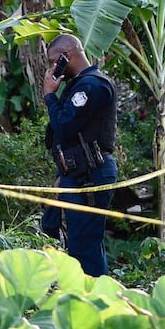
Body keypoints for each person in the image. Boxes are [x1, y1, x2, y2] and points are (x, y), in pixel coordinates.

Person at [41, 34, 118, 277]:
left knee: (85, 247)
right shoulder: (78, 85)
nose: (54, 68)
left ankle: (98, 302)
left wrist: (49, 95)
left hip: (90, 174)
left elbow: (64, 125)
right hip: (74, 173)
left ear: (68, 56)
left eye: (56, 61)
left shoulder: (92, 86)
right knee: (58, 232)